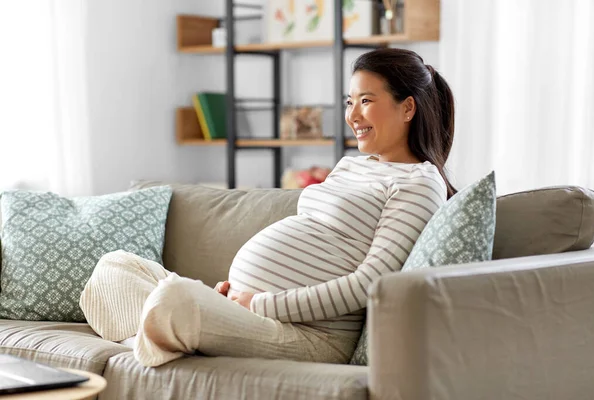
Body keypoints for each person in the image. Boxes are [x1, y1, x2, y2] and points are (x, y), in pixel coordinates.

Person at [79, 48, 457, 367]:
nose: (352, 116)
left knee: (175, 300)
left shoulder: (419, 184)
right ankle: (174, 330)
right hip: (257, 311)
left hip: (313, 335)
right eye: (349, 101)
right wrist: (236, 300)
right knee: (114, 267)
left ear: (407, 108)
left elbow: (369, 285)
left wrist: (259, 303)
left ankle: (166, 329)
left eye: (366, 101)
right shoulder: (352, 165)